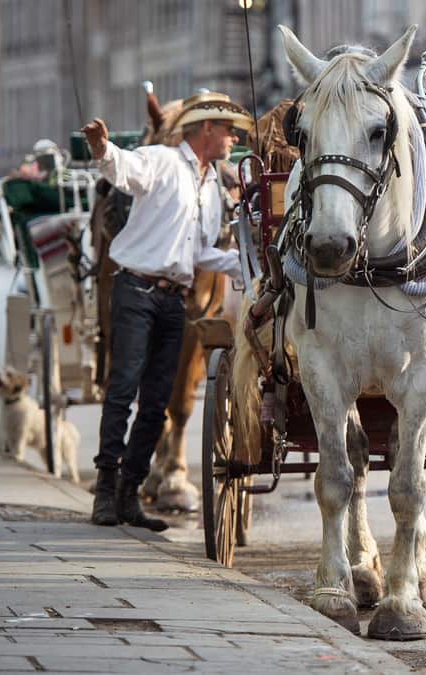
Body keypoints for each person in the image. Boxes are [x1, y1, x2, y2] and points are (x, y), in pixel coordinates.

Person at [81, 92, 250, 531]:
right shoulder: (161, 160)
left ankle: (129, 495)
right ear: (206, 129)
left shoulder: (211, 186)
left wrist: (249, 267)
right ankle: (105, 490)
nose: (234, 138)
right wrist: (102, 149)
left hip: (174, 300)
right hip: (136, 290)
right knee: (123, 389)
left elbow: (201, 251)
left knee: (158, 402)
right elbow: (123, 169)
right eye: (228, 130)